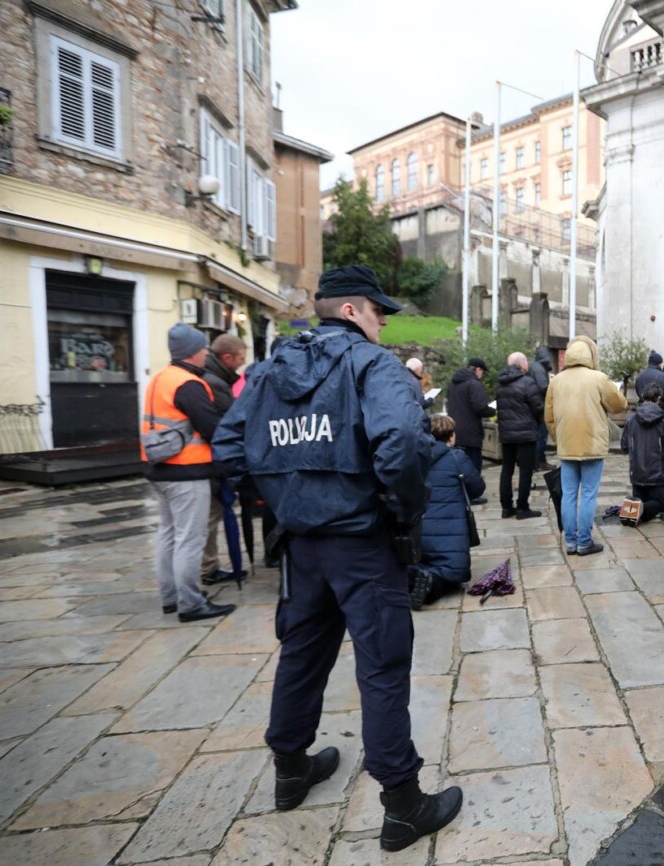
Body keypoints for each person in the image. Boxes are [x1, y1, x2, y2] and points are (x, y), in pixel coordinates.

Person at [212, 265, 461, 852]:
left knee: (301, 654)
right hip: (361, 543)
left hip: (302, 547)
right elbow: (399, 442)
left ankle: (290, 769)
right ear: (350, 311)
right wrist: (401, 508)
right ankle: (402, 803)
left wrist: (286, 497)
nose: (383, 323)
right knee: (381, 664)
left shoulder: (268, 371)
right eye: (378, 312)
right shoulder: (373, 366)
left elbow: (228, 448)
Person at [142, 324, 237, 623]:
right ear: (195, 352)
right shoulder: (188, 383)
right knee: (189, 539)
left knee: (168, 535)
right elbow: (211, 427)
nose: (206, 353)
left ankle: (171, 598)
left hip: (158, 469)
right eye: (203, 349)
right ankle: (191, 603)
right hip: (187, 471)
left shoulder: (159, 379)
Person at [545, 335, 627, 555]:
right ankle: (584, 542)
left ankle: (570, 543)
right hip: (592, 444)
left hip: (567, 446)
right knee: (589, 494)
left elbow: (549, 417)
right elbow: (619, 405)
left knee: (569, 494)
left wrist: (558, 437)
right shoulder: (598, 378)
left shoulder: (556, 381)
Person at [414, 414, 486, 608]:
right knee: (454, 572)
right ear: (451, 436)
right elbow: (477, 488)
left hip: (419, 531)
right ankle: (430, 585)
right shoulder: (457, 458)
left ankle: (417, 577)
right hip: (452, 534)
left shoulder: (414, 458)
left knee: (420, 564)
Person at [201, 333, 248, 587]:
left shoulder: (214, 378)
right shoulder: (216, 383)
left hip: (204, 461)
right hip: (209, 463)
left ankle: (208, 565)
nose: (243, 363)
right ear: (227, 358)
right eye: (240, 358)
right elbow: (225, 426)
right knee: (210, 518)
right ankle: (207, 567)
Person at [495, 352, 544, 520]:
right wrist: (538, 423)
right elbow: (538, 407)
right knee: (525, 471)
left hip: (507, 433)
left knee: (506, 470)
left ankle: (506, 507)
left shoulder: (500, 384)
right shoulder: (527, 383)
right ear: (522, 364)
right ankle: (523, 507)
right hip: (525, 433)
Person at [621, 383, 664, 522]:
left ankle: (634, 509)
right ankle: (638, 510)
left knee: (641, 500)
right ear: (658, 398)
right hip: (658, 470)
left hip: (637, 470)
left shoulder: (632, 419)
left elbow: (624, 445)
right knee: (658, 505)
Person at [446, 357, 495, 477]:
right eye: (482, 372)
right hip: (471, 433)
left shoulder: (453, 384)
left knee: (459, 466)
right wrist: (493, 411)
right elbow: (480, 408)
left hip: (454, 431)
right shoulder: (474, 384)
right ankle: (474, 494)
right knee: (473, 466)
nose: (482, 375)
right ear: (477, 369)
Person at [531, 346, 554, 470]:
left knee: (539, 435)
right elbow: (543, 387)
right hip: (540, 406)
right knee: (541, 435)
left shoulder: (534, 367)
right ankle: (538, 462)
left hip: (535, 406)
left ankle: (539, 461)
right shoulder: (539, 369)